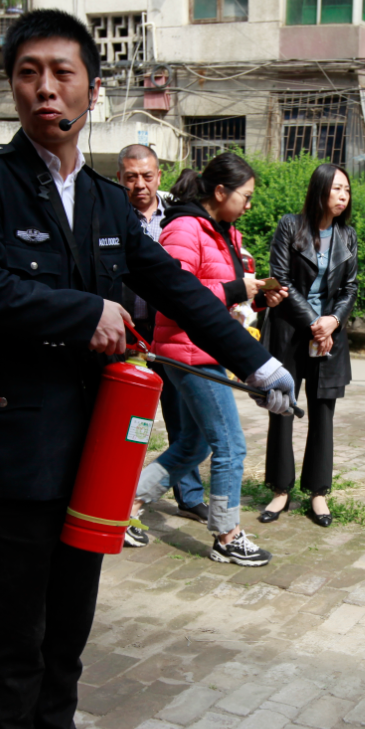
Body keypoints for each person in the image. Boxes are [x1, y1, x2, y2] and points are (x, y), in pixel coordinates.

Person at [0, 9, 295, 729]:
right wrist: (81, 310)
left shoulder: (104, 202)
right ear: (13, 87)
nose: (45, 88)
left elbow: (176, 287)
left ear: (92, 89)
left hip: (94, 455)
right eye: (28, 72)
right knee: (15, 628)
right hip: (15, 450)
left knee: (70, 621)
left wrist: (255, 362)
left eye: (61, 72)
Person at [127, 152, 288, 566]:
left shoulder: (222, 231)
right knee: (230, 445)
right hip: (189, 350)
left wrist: (257, 296)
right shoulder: (184, 228)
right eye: (245, 196)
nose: (248, 205)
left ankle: (124, 505)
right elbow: (176, 295)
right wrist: (236, 289)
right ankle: (226, 534)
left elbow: (220, 292)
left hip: (208, 348)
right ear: (220, 191)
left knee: (193, 444)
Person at [260, 163, 358, 527]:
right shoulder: (290, 226)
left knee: (323, 414)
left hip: (329, 336)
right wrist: (316, 322)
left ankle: (318, 493)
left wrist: (333, 321)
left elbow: (350, 287)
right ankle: (280, 490)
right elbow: (281, 280)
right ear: (319, 190)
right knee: (282, 408)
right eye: (336, 189)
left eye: (347, 190)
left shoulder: (347, 235)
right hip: (290, 331)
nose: (343, 196)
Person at [116, 143, 206, 523]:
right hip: (126, 334)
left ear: (159, 176)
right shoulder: (111, 217)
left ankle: (190, 495)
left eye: (147, 176)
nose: (140, 184)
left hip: (168, 333)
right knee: (125, 421)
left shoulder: (177, 219)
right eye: (131, 177)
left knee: (181, 417)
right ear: (120, 178)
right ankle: (117, 494)